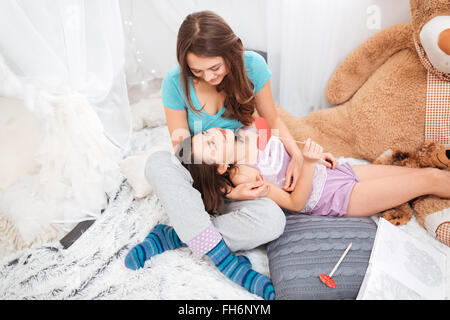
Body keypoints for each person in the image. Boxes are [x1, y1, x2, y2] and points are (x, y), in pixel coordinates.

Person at [124, 10, 304, 300]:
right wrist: (225, 191)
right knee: (158, 163)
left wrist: (296, 155)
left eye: (215, 68)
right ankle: (226, 261)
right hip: (203, 179)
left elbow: (272, 119)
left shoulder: (252, 67)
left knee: (273, 219)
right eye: (197, 71)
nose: (208, 77)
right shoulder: (175, 83)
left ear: (230, 52)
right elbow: (183, 150)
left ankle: (174, 235)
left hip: (235, 175)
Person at [177, 123, 450, 218]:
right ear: (222, 166)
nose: (215, 133)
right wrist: (307, 163)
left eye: (208, 133)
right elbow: (295, 202)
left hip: (336, 171)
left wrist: (312, 158)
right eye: (211, 144)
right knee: (429, 178)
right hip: (336, 198)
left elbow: (283, 139)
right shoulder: (244, 176)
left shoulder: (248, 132)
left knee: (415, 173)